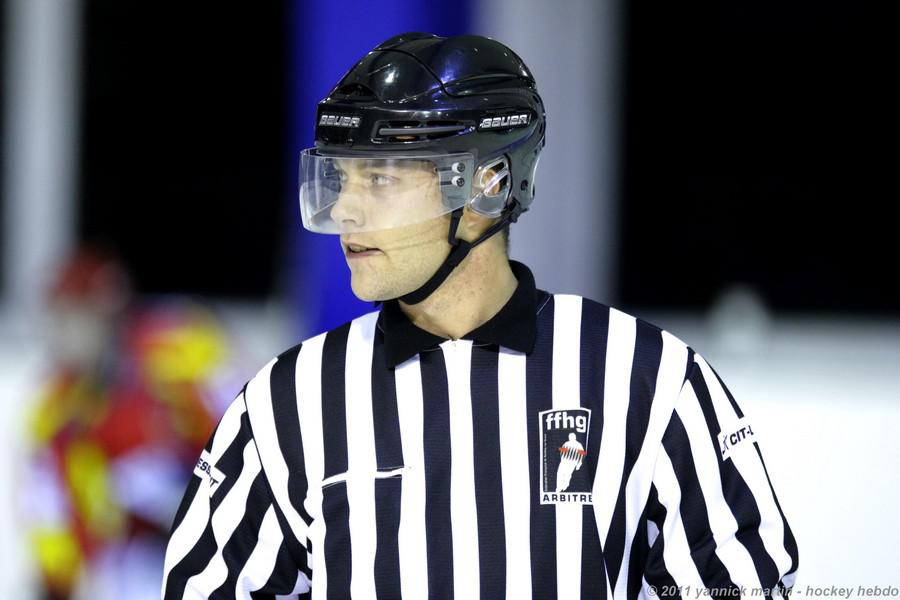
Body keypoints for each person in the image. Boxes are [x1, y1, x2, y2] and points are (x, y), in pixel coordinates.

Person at [162, 33, 798, 600]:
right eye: (342, 177)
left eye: (379, 178)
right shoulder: (287, 401)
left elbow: (746, 582)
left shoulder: (647, 377)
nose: (347, 209)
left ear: (487, 184)